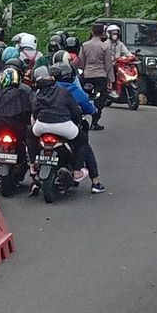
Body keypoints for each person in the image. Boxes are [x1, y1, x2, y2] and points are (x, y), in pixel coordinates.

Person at [30, 66, 83, 198]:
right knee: (82, 140)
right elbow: (75, 111)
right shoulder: (63, 91)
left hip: (42, 126)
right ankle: (77, 170)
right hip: (63, 126)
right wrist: (77, 122)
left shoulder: (37, 94)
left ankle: (32, 164)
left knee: (30, 135)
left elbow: (35, 112)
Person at [52, 61, 104, 193]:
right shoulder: (74, 92)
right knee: (84, 144)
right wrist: (94, 111)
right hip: (67, 127)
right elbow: (87, 109)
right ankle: (94, 181)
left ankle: (34, 175)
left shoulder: (47, 89)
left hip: (43, 127)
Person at [77, 22, 113, 125]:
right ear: (103, 33)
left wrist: (84, 70)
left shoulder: (85, 45)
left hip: (88, 75)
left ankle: (82, 117)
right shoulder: (104, 47)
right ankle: (95, 121)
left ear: (92, 32)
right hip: (100, 76)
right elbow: (108, 65)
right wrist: (110, 80)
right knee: (100, 99)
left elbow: (81, 61)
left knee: (85, 95)